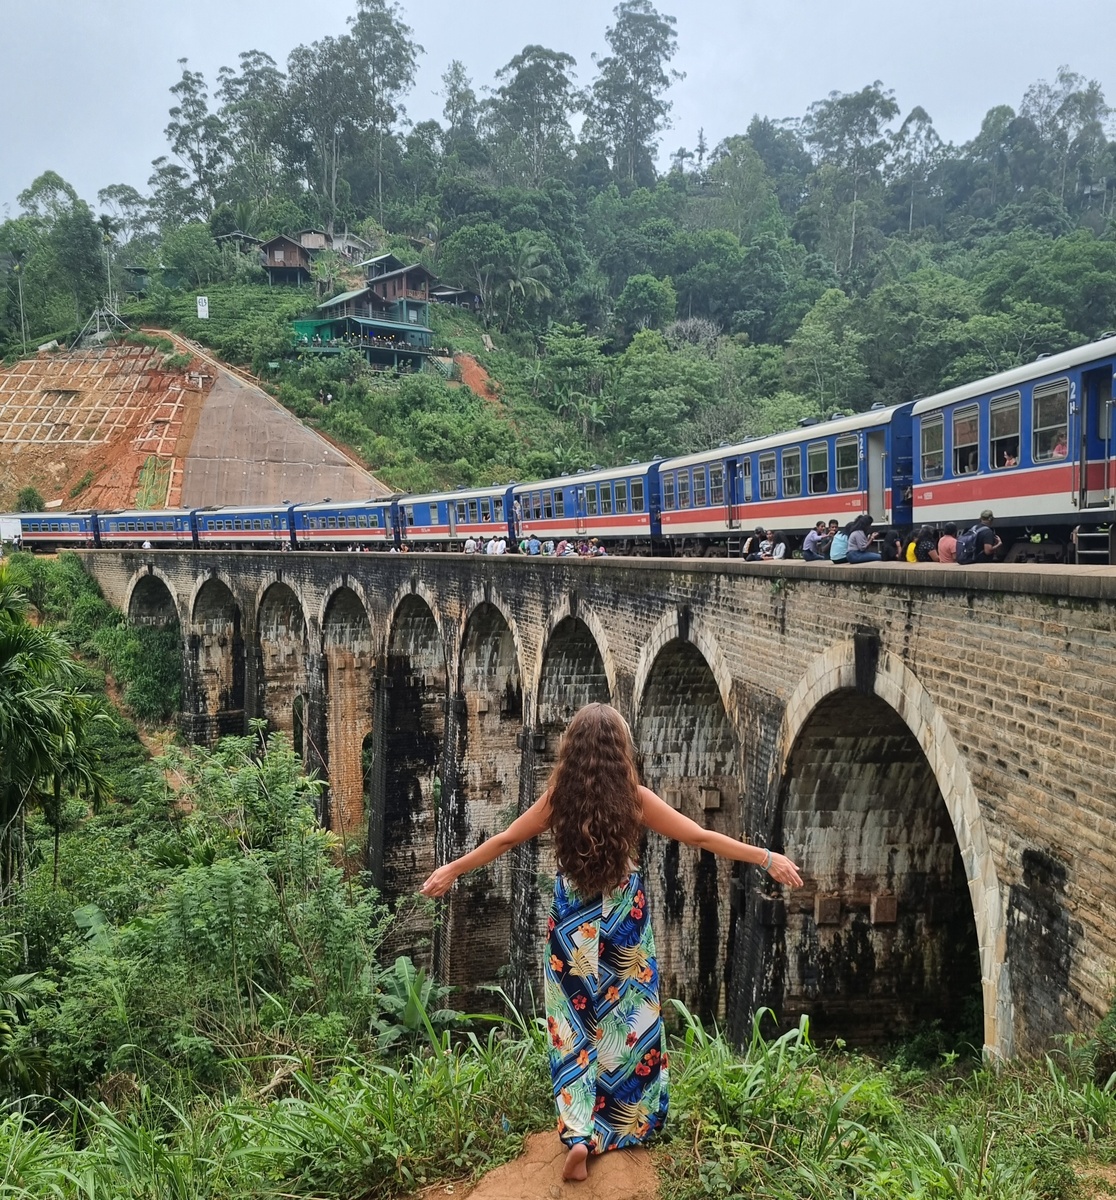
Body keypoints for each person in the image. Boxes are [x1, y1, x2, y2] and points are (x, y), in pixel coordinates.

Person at [420, 703, 803, 1182]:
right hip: (624, 922)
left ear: (574, 753)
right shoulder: (635, 799)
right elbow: (701, 837)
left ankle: (579, 1132)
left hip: (571, 926)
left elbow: (503, 840)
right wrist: (765, 857)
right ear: (620, 752)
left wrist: (451, 869)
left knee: (572, 1028)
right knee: (629, 1023)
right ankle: (620, 1125)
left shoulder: (559, 800)